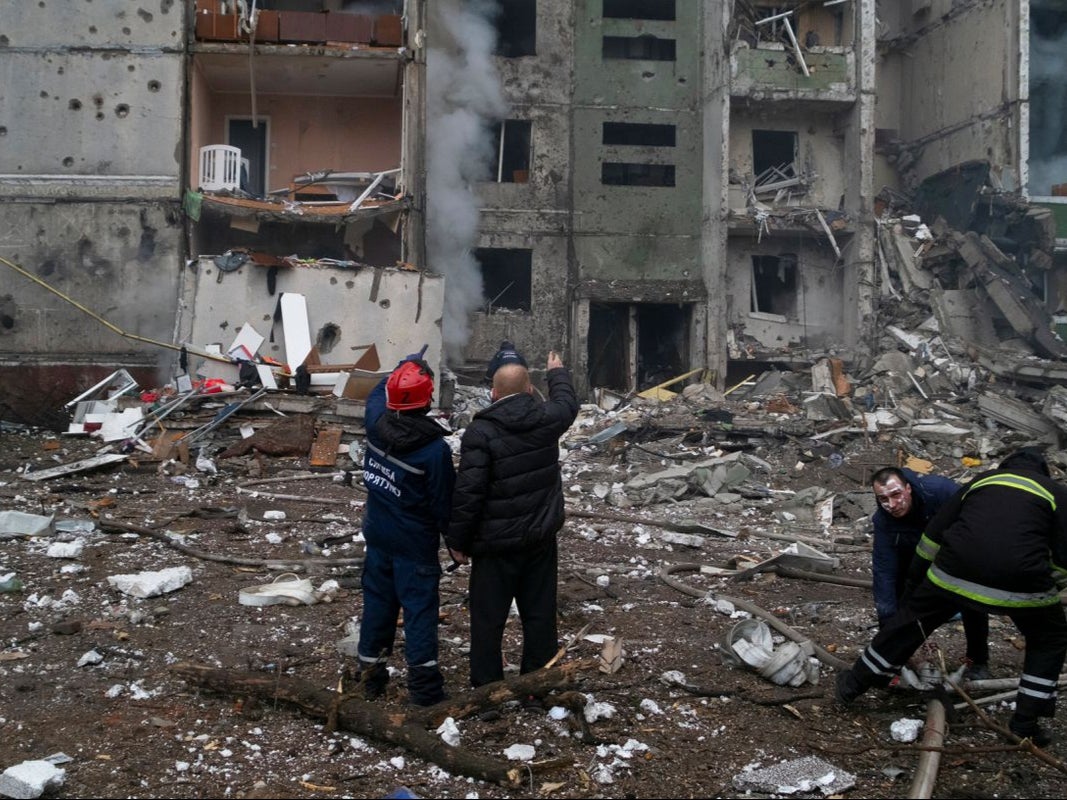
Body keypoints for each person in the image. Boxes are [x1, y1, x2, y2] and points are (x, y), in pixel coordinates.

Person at [837, 448, 1067, 747]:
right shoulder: (1056, 492)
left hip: (954, 570)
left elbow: (931, 538)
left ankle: (852, 686)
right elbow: (1063, 557)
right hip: (1022, 577)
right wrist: (1046, 583)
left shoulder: (982, 481)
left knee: (908, 625)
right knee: (1050, 638)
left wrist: (915, 588)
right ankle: (1025, 723)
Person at [446, 349, 579, 689]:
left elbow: (469, 493)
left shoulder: (481, 433)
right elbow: (567, 403)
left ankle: (487, 689)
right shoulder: (547, 420)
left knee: (488, 620)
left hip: (495, 547)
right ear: (530, 389)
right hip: (539, 541)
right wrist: (557, 372)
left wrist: (457, 542)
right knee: (539, 616)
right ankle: (536, 686)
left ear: (493, 392)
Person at [356, 355, 455, 706]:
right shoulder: (433, 452)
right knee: (419, 613)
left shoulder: (374, 422)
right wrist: (456, 544)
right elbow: (444, 505)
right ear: (428, 401)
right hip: (415, 547)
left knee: (378, 606)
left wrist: (400, 368)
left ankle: (368, 679)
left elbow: (375, 394)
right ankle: (424, 691)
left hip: (378, 535)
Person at [870, 466, 990, 679]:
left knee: (971, 600)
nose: (892, 505)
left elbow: (977, 518)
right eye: (883, 499)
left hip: (953, 554)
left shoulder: (941, 492)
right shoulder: (883, 520)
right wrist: (886, 625)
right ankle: (897, 658)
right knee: (897, 599)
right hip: (911, 558)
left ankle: (977, 660)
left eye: (896, 495)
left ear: (908, 489)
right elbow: (883, 571)